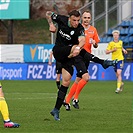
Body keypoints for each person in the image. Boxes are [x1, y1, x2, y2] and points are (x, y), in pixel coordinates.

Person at [64, 10, 118, 111]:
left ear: (90, 19)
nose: (86, 20)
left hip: (87, 57)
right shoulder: (78, 28)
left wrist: (94, 43)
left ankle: (69, 100)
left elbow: (97, 45)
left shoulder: (93, 30)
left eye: (88, 18)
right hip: (79, 55)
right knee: (85, 77)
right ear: (82, 18)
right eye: (85, 18)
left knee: (79, 79)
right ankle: (73, 99)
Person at [46, 10, 90, 121]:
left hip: (68, 56)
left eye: (78, 20)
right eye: (74, 20)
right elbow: (48, 13)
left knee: (66, 81)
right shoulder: (61, 19)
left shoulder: (79, 28)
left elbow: (83, 40)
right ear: (69, 18)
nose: (76, 23)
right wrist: (51, 24)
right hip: (60, 52)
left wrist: (78, 48)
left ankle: (56, 109)